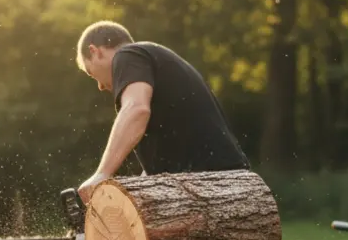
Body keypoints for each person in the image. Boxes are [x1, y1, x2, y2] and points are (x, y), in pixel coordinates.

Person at [73, 20, 251, 203]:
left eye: (91, 73)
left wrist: (102, 174)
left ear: (95, 51)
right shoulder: (156, 65)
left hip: (213, 183)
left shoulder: (127, 55)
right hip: (220, 180)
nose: (100, 86)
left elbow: (136, 110)